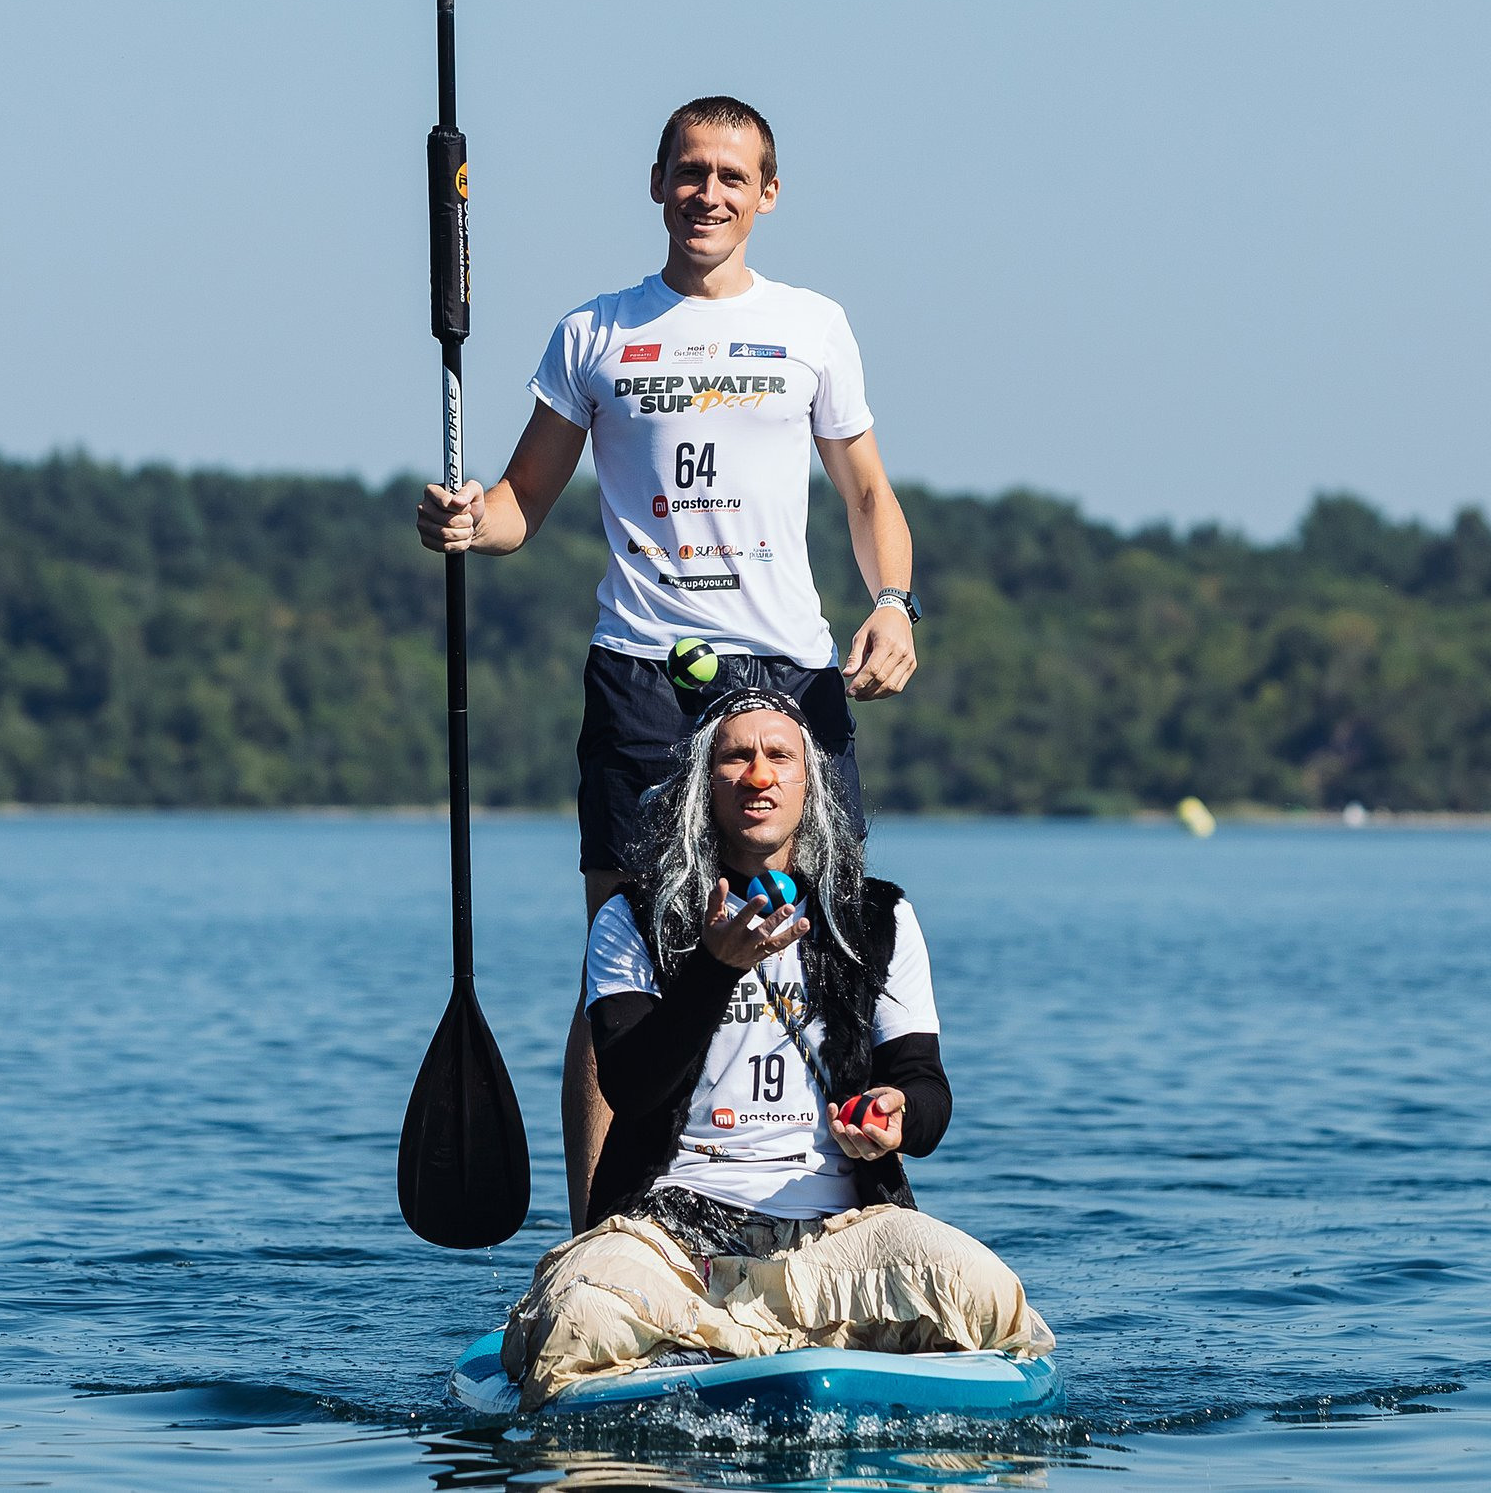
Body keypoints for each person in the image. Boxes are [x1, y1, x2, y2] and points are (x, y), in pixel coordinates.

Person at [416, 96, 922, 1229]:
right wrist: (466, 519)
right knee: (624, 955)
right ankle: (600, 1238)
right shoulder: (593, 332)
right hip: (643, 675)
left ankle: (840, 1209)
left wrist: (892, 602)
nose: (709, 193)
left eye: (732, 177)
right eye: (690, 172)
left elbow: (870, 496)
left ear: (768, 195)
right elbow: (519, 504)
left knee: (823, 939)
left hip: (787, 673)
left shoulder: (812, 327)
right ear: (656, 182)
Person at [499, 688, 1050, 1410]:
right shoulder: (634, 918)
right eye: (737, 756)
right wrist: (713, 968)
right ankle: (693, 1337)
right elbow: (631, 1085)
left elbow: (927, 1090)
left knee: (988, 1298)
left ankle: (719, 1341)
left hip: (837, 1238)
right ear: (705, 785)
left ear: (808, 784)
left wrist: (897, 1113)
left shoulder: (877, 916)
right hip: (671, 1240)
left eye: (779, 755)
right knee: (576, 1320)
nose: (760, 773)